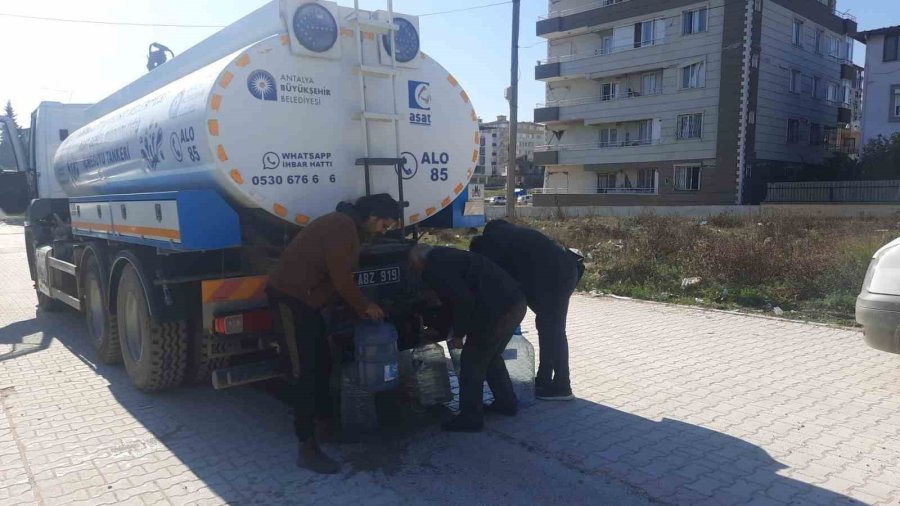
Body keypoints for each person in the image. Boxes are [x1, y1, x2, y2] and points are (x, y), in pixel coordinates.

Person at [267, 193, 400, 474]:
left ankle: (324, 426)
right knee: (303, 370)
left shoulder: (348, 226)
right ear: (373, 216)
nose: (383, 231)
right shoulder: (341, 226)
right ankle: (306, 447)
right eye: (384, 225)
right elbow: (341, 278)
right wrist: (365, 306)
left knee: (323, 363)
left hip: (310, 302)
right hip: (291, 299)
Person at [409, 244, 527, 432]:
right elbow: (454, 299)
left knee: (472, 361)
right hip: (516, 303)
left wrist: (458, 334)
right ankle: (507, 403)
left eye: (413, 266)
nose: (414, 270)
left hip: (498, 312)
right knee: (491, 356)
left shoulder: (435, 267)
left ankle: (470, 418)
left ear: (419, 261)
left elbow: (462, 300)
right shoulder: (447, 256)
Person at [469, 219, 581, 401]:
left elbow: (499, 287)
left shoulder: (493, 247)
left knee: (552, 330)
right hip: (562, 268)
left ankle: (562, 386)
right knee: (548, 328)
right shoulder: (508, 236)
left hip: (555, 275)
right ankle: (544, 380)